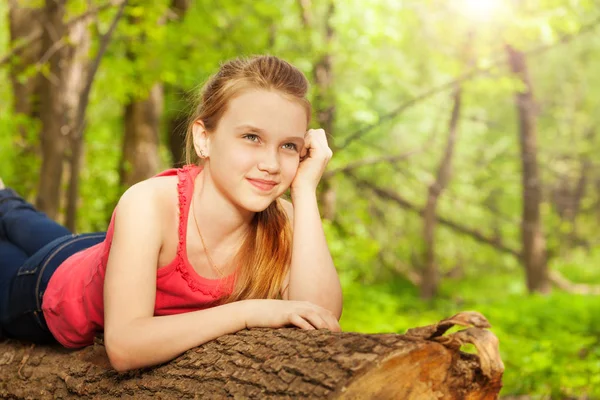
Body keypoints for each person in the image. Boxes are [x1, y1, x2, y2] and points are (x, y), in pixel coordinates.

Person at [0, 55, 343, 372]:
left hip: (102, 253)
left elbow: (319, 319)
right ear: (203, 139)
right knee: (17, 236)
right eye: (252, 137)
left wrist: (304, 190)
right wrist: (249, 313)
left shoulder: (282, 218)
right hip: (50, 287)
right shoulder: (148, 203)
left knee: (29, 223)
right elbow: (124, 347)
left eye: (288, 146)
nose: (270, 164)